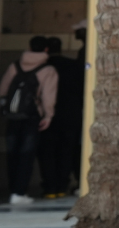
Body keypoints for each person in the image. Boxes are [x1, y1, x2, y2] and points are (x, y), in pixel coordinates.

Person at [0, 37, 57, 205]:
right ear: (46, 49)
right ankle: (19, 192)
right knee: (26, 155)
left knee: (12, 154)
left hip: (13, 116)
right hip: (32, 117)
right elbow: (48, 96)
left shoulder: (14, 66)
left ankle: (13, 190)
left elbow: (3, 90)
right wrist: (48, 116)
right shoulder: (48, 70)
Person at [40, 37, 83, 198]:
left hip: (46, 117)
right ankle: (62, 186)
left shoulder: (43, 67)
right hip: (71, 115)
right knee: (67, 152)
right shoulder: (72, 66)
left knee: (48, 153)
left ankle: (50, 187)